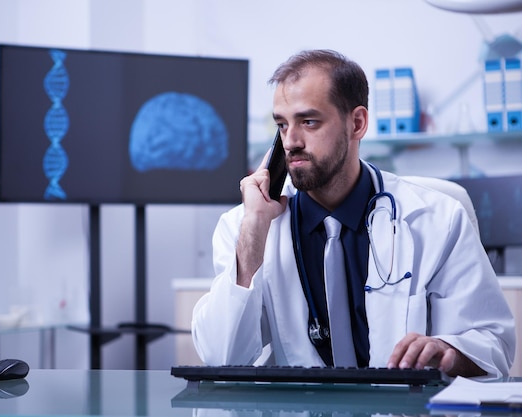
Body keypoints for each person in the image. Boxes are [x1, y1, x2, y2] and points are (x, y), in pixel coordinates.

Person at [191, 49, 515, 379]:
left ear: (357, 123)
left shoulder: (438, 218)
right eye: (282, 125)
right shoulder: (245, 227)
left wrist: (448, 350)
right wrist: (253, 233)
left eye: (309, 122)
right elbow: (221, 358)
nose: (290, 142)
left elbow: (493, 346)